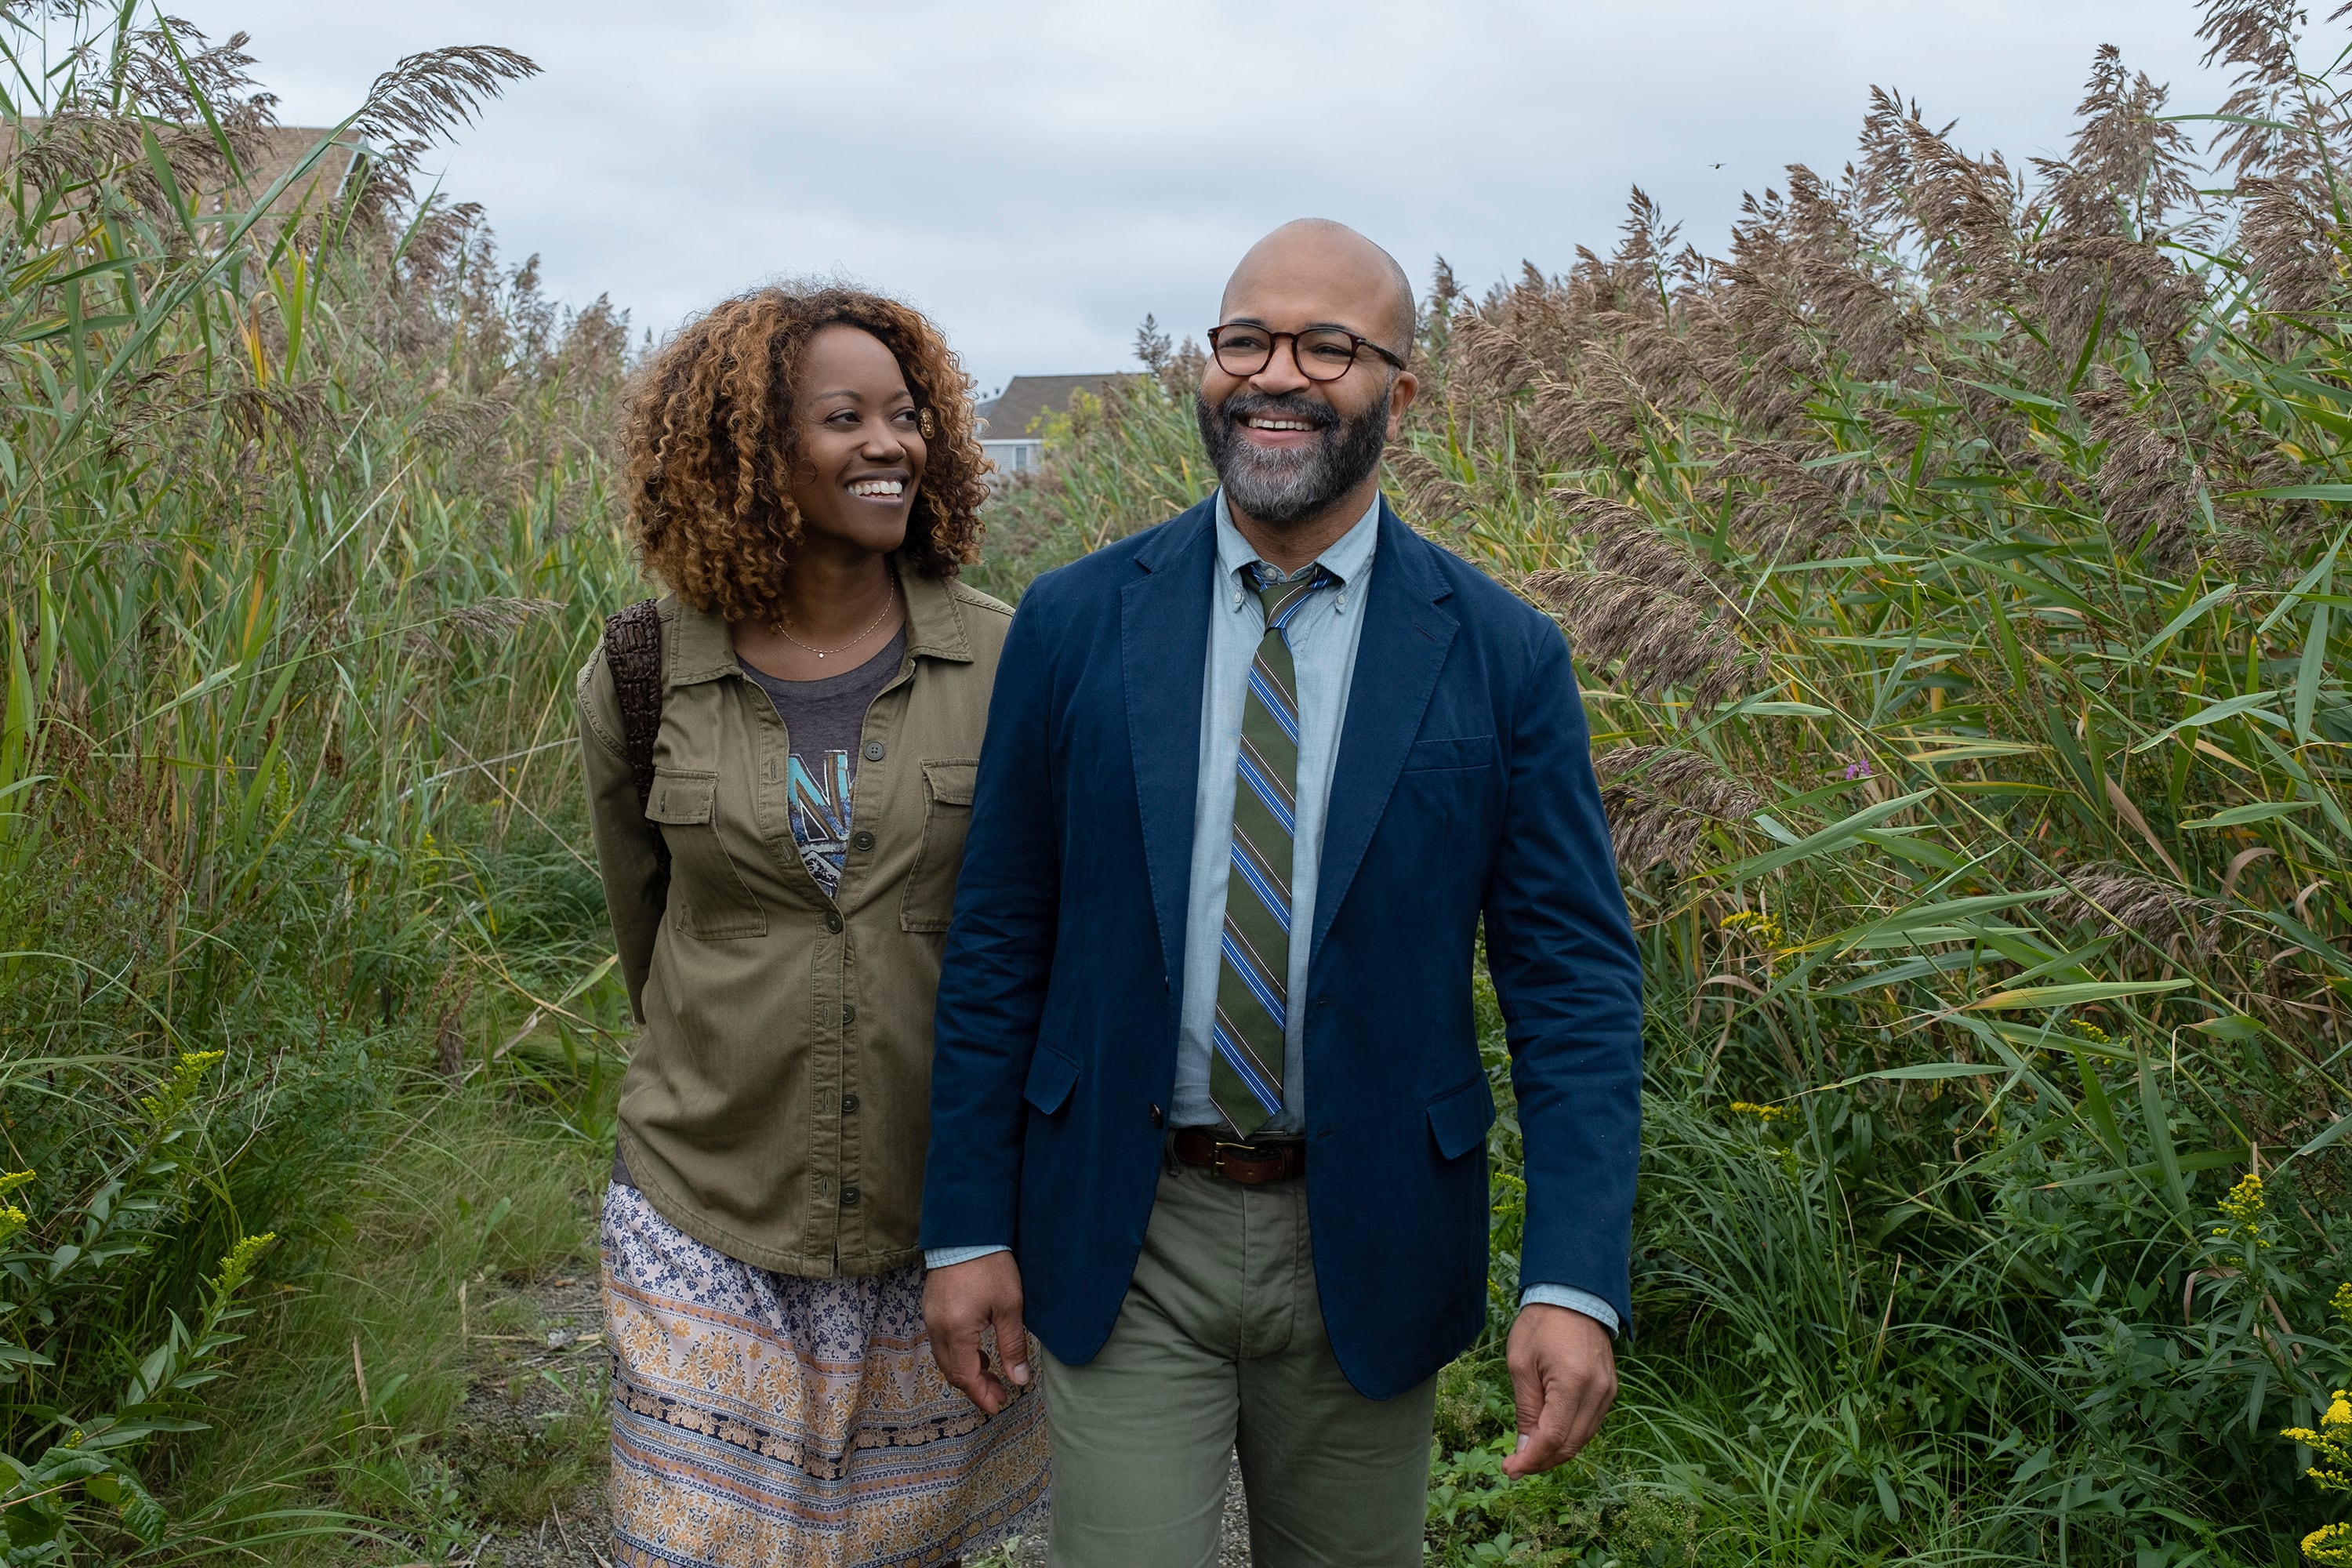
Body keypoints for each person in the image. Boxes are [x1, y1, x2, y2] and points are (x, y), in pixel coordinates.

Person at [919, 220, 1644, 1567]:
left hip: (1367, 1228)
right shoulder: (1076, 623)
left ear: (1400, 393)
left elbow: (1573, 984)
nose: (1277, 375)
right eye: (1246, 338)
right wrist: (964, 1223)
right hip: (1127, 1225)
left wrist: (1572, 1276)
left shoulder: (1498, 654)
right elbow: (1000, 937)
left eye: (1329, 346)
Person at [578, 283, 1047, 1568]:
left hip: (930, 1214)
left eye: (906, 416)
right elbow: (650, 927)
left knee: (900, 1550)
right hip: (702, 1198)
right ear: (747, 451)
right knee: (694, 1548)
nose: (887, 444)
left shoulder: (1014, 664)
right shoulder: (641, 669)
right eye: (844, 418)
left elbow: (1039, 943)